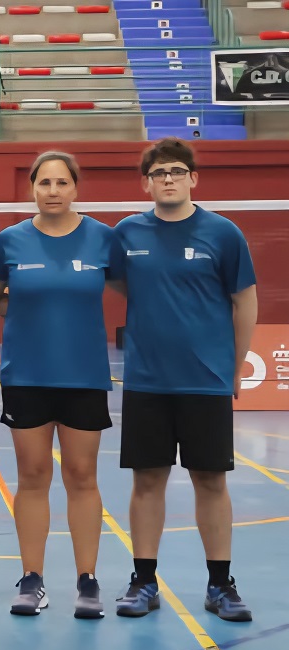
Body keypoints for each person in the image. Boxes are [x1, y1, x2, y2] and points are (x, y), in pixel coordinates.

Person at [112, 137, 256, 622]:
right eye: (159, 173)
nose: (168, 179)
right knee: (147, 480)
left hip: (205, 380)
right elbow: (121, 283)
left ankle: (221, 584)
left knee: (210, 480)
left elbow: (245, 300)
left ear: (193, 178)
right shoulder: (128, 233)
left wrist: (234, 366)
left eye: (176, 171)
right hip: (147, 381)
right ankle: (143, 581)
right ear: (146, 183)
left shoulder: (223, 233)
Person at [0, 152, 117, 619]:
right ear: (32, 188)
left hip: (84, 377)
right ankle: (32, 579)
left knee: (82, 476)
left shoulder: (102, 238)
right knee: (33, 476)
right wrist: (19, 312)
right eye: (44, 183)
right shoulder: (10, 241)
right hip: (27, 376)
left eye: (61, 183)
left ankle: (87, 581)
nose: (53, 191)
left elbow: (134, 288)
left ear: (75, 188)